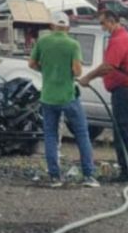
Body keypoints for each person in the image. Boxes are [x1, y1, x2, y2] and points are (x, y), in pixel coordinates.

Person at [29, 11, 99, 188]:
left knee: (51, 136)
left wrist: (46, 70)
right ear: (67, 27)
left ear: (52, 26)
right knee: (82, 134)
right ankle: (89, 176)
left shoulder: (43, 41)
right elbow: (77, 71)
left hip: (48, 97)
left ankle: (55, 177)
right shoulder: (72, 44)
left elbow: (32, 64)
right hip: (68, 96)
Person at [79, 10, 128, 182]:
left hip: (124, 92)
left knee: (125, 134)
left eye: (103, 23)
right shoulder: (126, 37)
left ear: (111, 21)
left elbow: (108, 66)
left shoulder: (119, 40)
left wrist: (88, 77)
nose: (102, 27)